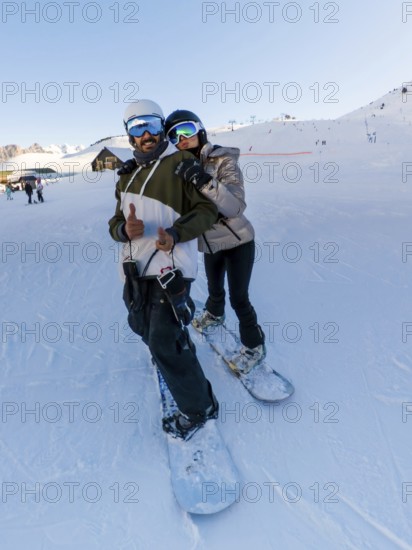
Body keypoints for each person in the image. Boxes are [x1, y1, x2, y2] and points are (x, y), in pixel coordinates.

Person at [108, 100, 219, 440]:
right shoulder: (128, 174)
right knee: (142, 326)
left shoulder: (180, 163)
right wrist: (123, 230)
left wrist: (175, 234)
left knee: (162, 340)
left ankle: (200, 408)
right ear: (129, 135)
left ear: (161, 129)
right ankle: (176, 349)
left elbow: (206, 211)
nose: (146, 135)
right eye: (137, 127)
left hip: (169, 266)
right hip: (132, 268)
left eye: (152, 126)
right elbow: (114, 223)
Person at [164, 110, 266, 373]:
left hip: (238, 241)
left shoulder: (223, 160)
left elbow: (235, 207)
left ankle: (254, 347)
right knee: (214, 289)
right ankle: (214, 314)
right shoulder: (178, 166)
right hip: (210, 244)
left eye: (186, 130)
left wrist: (203, 180)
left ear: (200, 130)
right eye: (174, 135)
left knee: (239, 298)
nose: (182, 138)